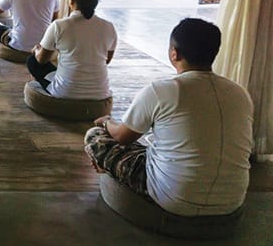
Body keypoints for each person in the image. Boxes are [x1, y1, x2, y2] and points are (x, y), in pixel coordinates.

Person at [85, 18, 253, 217]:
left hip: (174, 198)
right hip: (231, 201)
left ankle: (110, 169)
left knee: (96, 136)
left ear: (175, 53)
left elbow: (122, 137)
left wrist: (105, 122)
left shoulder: (162, 90)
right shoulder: (240, 93)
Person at [26, 0, 115, 99]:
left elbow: (41, 59)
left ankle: (43, 91)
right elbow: (106, 60)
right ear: (96, 1)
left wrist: (36, 50)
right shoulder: (109, 27)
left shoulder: (60, 26)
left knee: (32, 61)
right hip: (100, 94)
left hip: (65, 92)